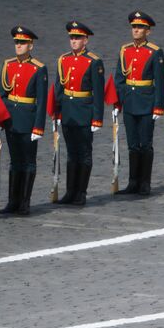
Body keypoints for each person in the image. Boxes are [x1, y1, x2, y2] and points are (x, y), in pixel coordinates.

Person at [52, 21, 105, 206]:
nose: (74, 41)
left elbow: (98, 92)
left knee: (84, 153)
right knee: (71, 153)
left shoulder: (93, 61)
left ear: (85, 40)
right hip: (68, 111)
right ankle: (70, 191)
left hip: (84, 111)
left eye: (77, 38)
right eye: (72, 38)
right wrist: (56, 112)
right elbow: (59, 88)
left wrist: (97, 118)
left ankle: (81, 192)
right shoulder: (63, 60)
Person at [114, 11, 164, 196]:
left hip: (146, 103)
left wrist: (159, 106)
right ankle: (133, 182)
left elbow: (159, 82)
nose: (136, 30)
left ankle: (145, 182)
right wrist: (118, 101)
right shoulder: (125, 50)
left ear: (148, 31)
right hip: (129, 102)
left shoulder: (154, 52)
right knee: (132, 145)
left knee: (145, 144)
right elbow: (119, 78)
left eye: (140, 27)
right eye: (134, 27)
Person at [0, 26, 47, 216]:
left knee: (28, 161)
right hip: (11, 120)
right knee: (15, 161)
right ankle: (13, 201)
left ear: (30, 45)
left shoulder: (38, 68)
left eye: (22, 43)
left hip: (28, 120)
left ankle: (25, 202)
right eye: (17, 42)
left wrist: (38, 127)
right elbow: (3, 95)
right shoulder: (8, 65)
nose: (18, 46)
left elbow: (41, 100)